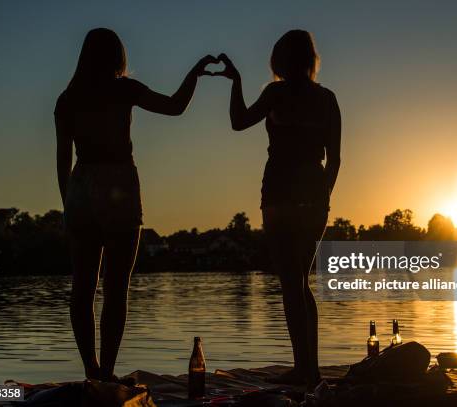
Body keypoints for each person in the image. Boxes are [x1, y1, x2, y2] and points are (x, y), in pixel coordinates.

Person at [54, 28, 217, 382]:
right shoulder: (124, 88)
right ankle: (107, 373)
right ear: (117, 57)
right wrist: (195, 73)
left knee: (82, 287)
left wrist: (68, 205)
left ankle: (91, 370)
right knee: (116, 288)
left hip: (81, 187)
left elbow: (61, 160)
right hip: (119, 186)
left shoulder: (67, 99)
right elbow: (175, 107)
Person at [215, 30, 341, 389]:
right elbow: (335, 159)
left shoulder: (275, 93)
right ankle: (308, 368)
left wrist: (236, 82)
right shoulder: (328, 99)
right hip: (313, 198)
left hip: (280, 196)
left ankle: (305, 369)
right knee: (299, 283)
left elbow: (238, 121)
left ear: (280, 60)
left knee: (293, 283)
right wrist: (324, 198)